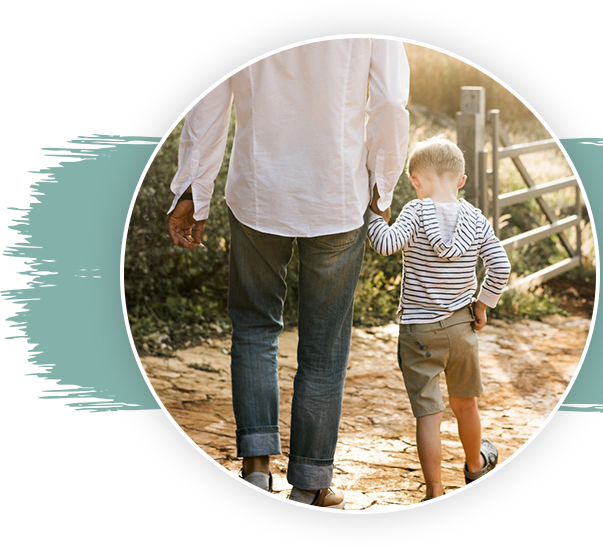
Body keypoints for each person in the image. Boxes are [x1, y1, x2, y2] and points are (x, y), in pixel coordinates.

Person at [166, 38, 410, 509]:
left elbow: (210, 100)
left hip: (259, 191)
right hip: (337, 195)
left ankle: (256, 467)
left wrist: (193, 190)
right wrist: (382, 183)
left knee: (254, 327)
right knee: (325, 345)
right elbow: (391, 104)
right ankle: (311, 482)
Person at [366, 135, 511, 500]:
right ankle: (476, 467)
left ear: (414, 180)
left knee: (429, 414)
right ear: (461, 179)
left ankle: (434, 490)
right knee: (466, 403)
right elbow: (500, 266)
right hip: (462, 328)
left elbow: (384, 244)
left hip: (419, 332)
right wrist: (481, 305)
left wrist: (372, 214)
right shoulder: (476, 219)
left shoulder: (415, 213)